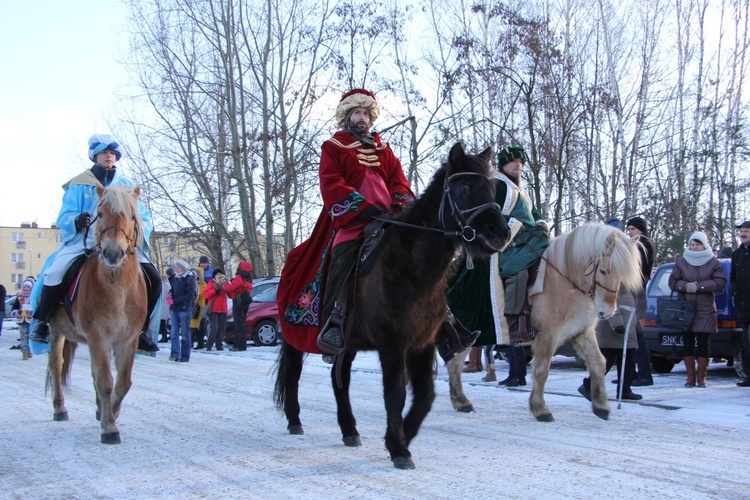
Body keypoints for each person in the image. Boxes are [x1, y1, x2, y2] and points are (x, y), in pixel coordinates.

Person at [277, 88, 475, 362]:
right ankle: (334, 323)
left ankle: (445, 325)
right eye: (357, 112)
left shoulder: (384, 149)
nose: (363, 118)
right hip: (352, 220)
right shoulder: (333, 147)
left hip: (390, 218)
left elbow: (399, 182)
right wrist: (361, 207)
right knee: (342, 256)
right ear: (347, 116)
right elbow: (331, 183)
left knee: (422, 259)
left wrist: (402, 207)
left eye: (367, 113)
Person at [29, 134, 160, 354]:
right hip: (84, 241)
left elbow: (144, 218)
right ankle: (42, 321)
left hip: (119, 243)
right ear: (94, 156)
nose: (109, 156)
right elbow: (64, 215)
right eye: (104, 152)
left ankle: (142, 330)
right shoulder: (80, 184)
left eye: (112, 153)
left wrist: (135, 231)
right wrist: (75, 220)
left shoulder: (127, 186)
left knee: (153, 277)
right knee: (54, 272)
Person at [447, 145, 549, 386]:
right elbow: (497, 217)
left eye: (520, 163)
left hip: (528, 236)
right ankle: (515, 308)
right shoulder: (499, 184)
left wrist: (541, 222)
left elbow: (532, 212)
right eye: (513, 162)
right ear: (503, 165)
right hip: (510, 242)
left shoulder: (521, 188)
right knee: (516, 272)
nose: (518, 166)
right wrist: (515, 230)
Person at [578, 218, 642, 401]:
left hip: (627, 317)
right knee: (610, 357)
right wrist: (616, 321)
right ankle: (589, 385)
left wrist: (637, 324)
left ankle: (625, 389)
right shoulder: (606, 263)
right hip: (615, 318)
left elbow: (631, 295)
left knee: (628, 358)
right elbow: (610, 294)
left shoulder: (621, 261)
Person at [669, 231, 727, 388]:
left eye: (697, 244)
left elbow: (720, 282)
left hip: (705, 307)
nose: (694, 247)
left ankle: (702, 378)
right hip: (686, 306)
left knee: (703, 341)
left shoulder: (713, 262)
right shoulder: (681, 262)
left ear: (704, 245)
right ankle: (690, 378)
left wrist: (700, 286)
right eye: (692, 244)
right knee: (687, 341)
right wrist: (685, 286)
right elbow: (673, 282)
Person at [626, 216, 655, 386]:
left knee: (636, 335)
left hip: (635, 292)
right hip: (634, 291)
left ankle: (644, 373)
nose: (630, 232)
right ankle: (631, 373)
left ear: (641, 230)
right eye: (629, 229)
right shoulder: (638, 243)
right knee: (632, 335)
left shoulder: (642, 244)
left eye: (633, 229)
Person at [731, 221, 750, 387]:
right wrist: (735, 292)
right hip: (744, 305)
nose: (743, 234)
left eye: (746, 231)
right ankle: (748, 376)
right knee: (747, 342)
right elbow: (733, 277)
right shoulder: (737, 254)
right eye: (742, 231)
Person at [168, 260, 197, 362]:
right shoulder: (175, 279)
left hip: (184, 309)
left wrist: (175, 300)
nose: (175, 270)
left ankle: (185, 356)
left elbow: (190, 295)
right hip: (174, 309)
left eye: (177, 268)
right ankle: (174, 354)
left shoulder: (189, 278)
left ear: (183, 269)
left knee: (185, 334)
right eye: (175, 268)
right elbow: (173, 290)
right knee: (174, 333)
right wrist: (170, 296)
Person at [223, 261, 254, 352]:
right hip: (245, 301)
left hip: (238, 301)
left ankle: (240, 345)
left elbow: (230, 288)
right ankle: (238, 344)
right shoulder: (248, 278)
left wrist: (224, 282)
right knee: (241, 323)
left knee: (238, 324)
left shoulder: (240, 277)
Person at [204, 267, 228, 351]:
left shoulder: (224, 283)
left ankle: (219, 345)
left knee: (221, 328)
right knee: (214, 327)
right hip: (213, 309)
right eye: (217, 274)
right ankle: (209, 344)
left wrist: (225, 288)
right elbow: (206, 295)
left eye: (220, 274)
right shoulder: (211, 283)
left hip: (223, 309)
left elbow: (230, 294)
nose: (218, 276)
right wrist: (215, 289)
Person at [11, 277, 35, 360]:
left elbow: (37, 307)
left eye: (28, 287)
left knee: (31, 335)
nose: (26, 289)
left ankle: (30, 350)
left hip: (31, 319)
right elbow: (15, 306)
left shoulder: (34, 297)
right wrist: (15, 312)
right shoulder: (19, 297)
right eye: (25, 287)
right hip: (21, 319)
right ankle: (24, 352)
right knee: (23, 335)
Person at [190, 267, 207, 349]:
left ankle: (200, 342)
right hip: (194, 307)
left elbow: (199, 295)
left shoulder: (203, 285)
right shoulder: (193, 283)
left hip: (199, 308)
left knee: (197, 326)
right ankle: (192, 342)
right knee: (192, 326)